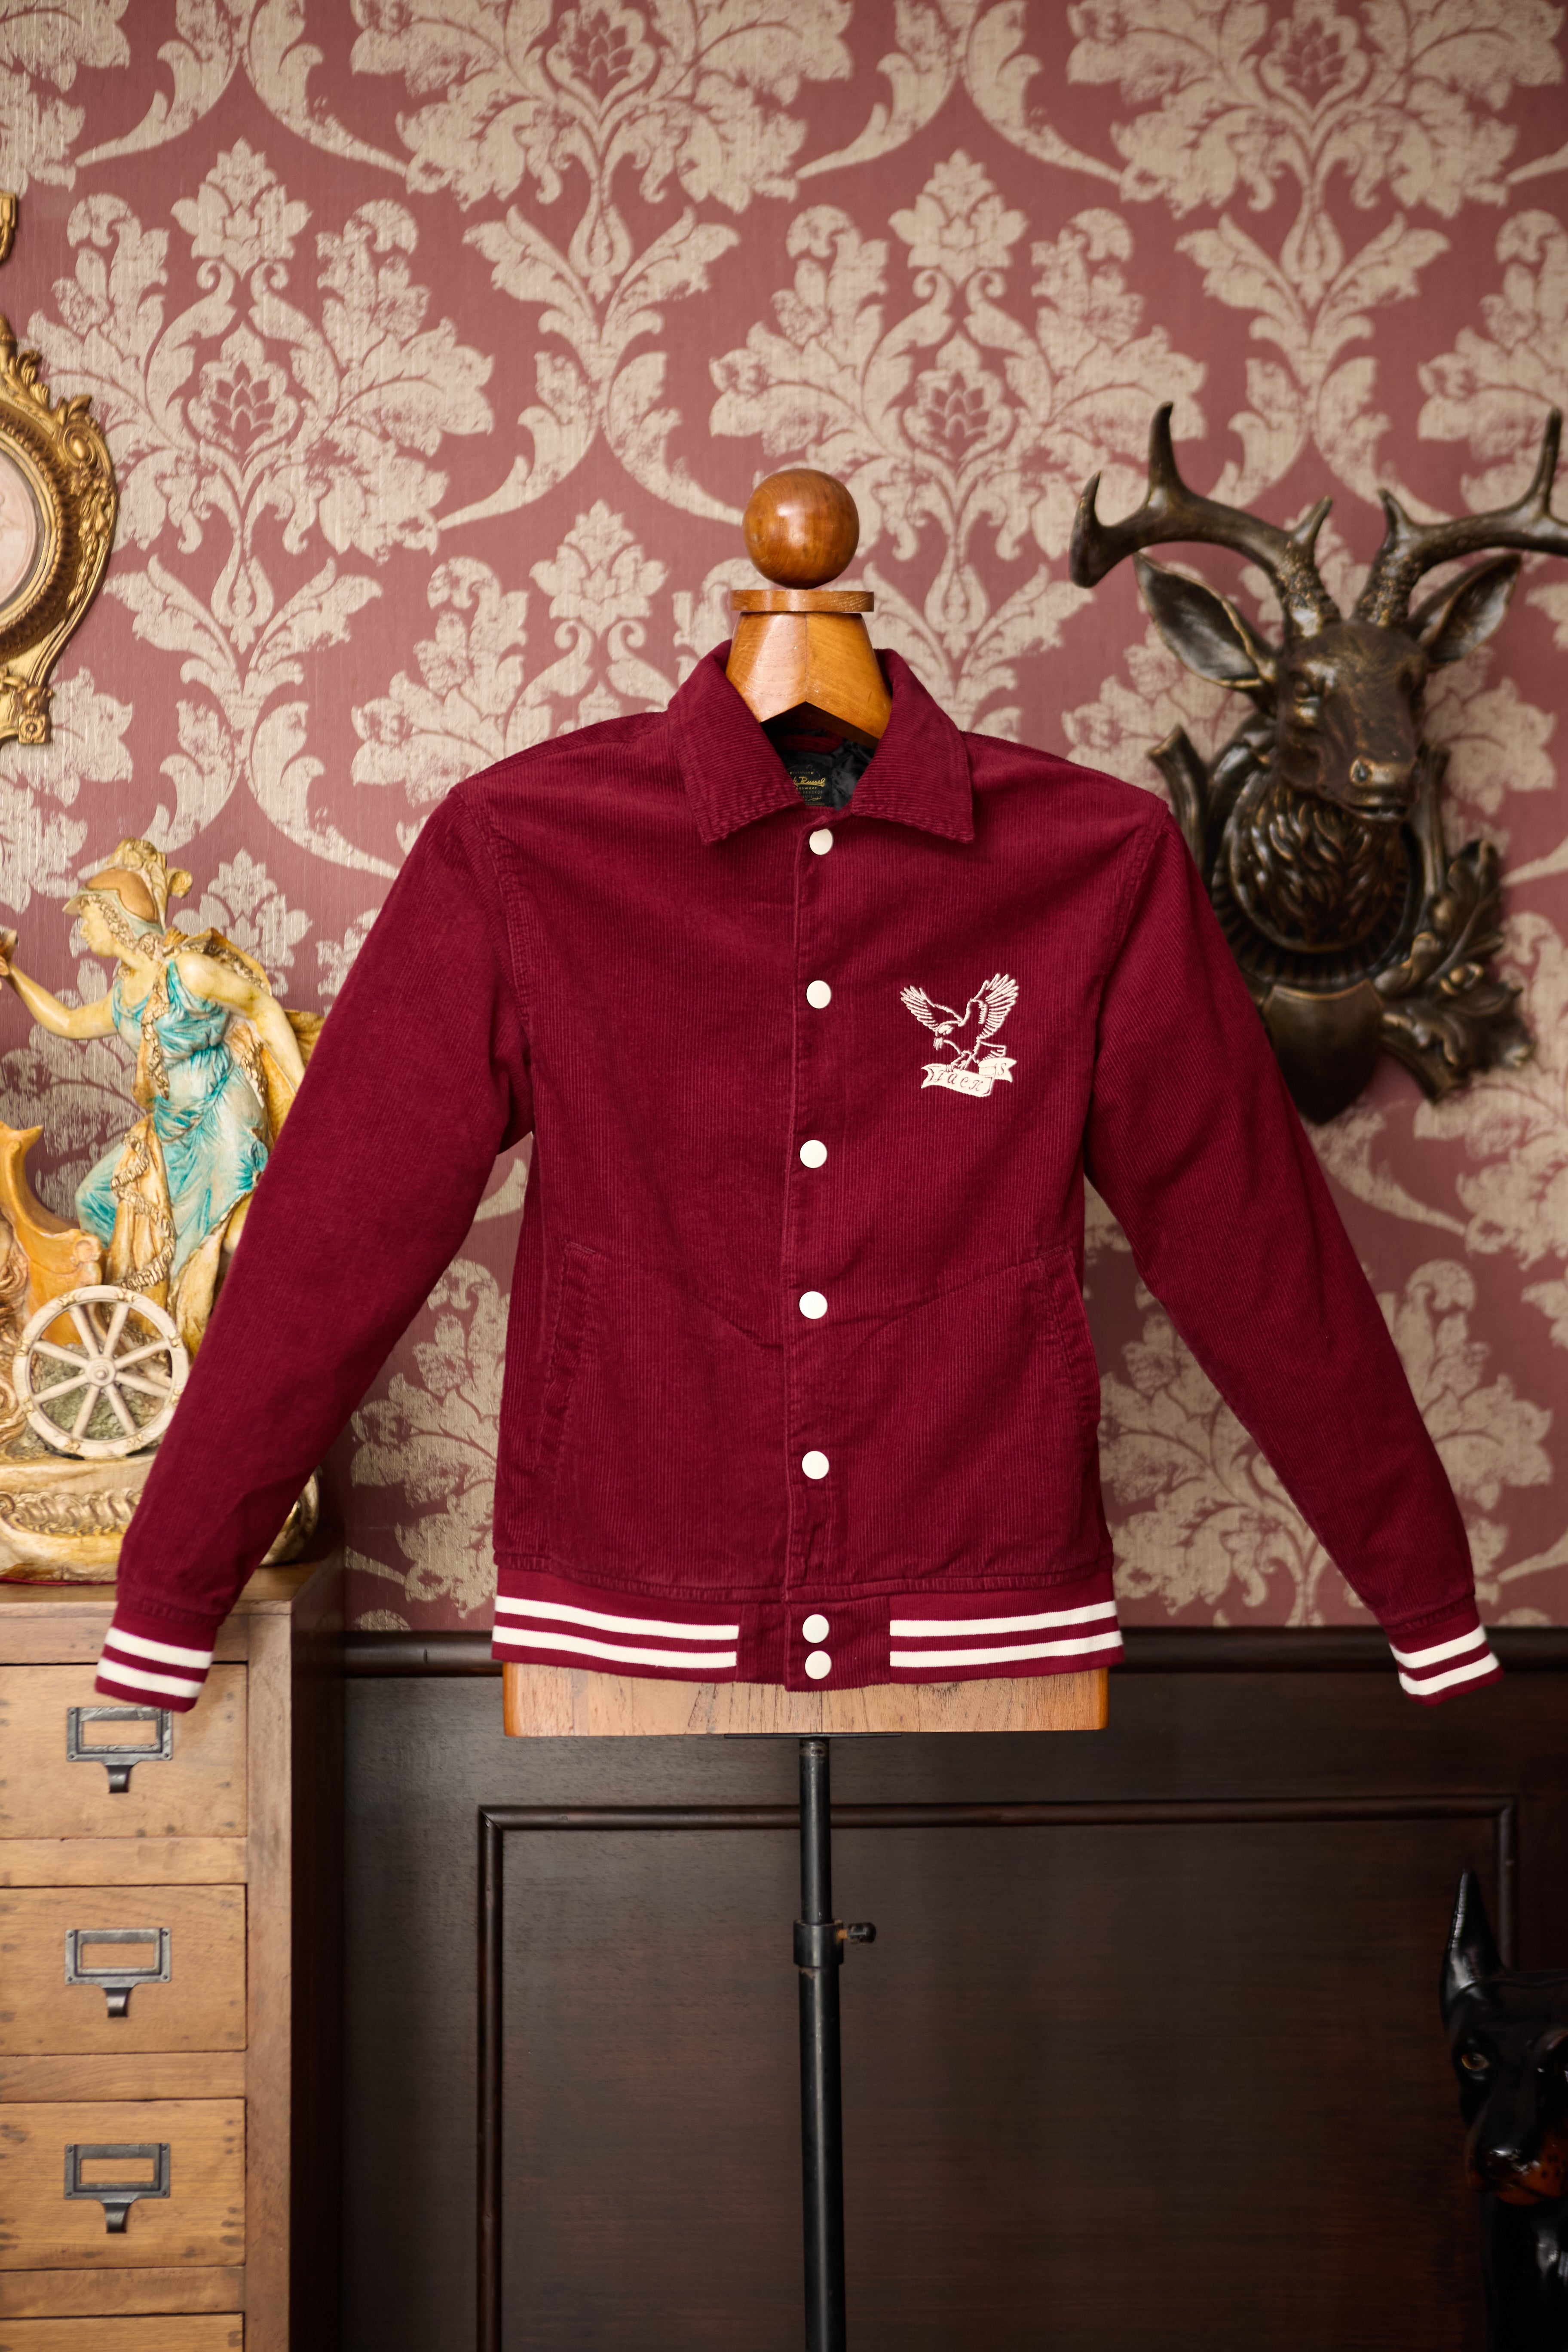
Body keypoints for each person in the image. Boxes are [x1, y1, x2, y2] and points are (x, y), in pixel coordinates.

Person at [0, 837, 312, 1351]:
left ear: (115, 917)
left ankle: (262, 1334)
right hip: (169, 1129)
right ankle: (136, 1335)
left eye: (88, 917)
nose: (82, 929)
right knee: (95, 1199)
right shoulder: (124, 992)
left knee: (233, 1236)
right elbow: (70, 1022)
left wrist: (303, 1094)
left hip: (222, 1116)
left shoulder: (187, 971)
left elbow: (260, 1006)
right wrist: (12, 975)